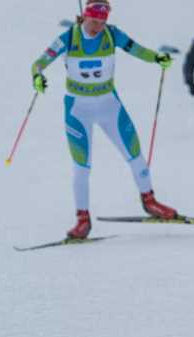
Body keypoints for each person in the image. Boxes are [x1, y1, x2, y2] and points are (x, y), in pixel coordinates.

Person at [30, 0, 177, 239]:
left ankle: (150, 201)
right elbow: (38, 63)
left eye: (102, 21)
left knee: (135, 154)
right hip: (78, 109)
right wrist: (37, 77)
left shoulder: (112, 34)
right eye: (94, 20)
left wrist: (157, 58)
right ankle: (82, 220)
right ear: (84, 16)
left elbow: (137, 50)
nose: (98, 26)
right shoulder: (68, 38)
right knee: (81, 167)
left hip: (109, 105)